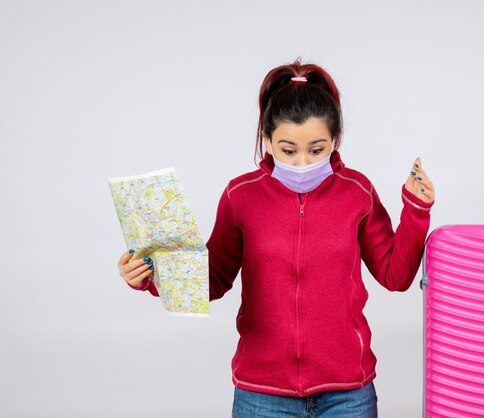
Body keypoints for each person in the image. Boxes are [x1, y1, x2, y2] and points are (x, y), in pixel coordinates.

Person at [117, 57, 435, 417]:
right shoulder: (241, 196)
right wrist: (150, 276)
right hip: (262, 394)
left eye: (316, 150)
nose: (302, 163)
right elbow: (214, 279)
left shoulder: (356, 192)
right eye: (288, 150)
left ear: (335, 140)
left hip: (347, 391)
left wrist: (416, 211)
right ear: (267, 140)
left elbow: (396, 276)